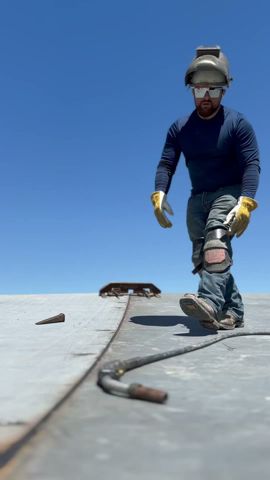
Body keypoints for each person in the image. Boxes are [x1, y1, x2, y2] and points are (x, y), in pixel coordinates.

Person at [151, 45, 260, 330]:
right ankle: (233, 310)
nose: (206, 97)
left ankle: (209, 302)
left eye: (213, 89)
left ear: (224, 90)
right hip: (196, 199)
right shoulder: (180, 128)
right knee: (205, 258)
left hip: (229, 192)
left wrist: (246, 201)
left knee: (216, 243)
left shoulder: (238, 124)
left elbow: (251, 164)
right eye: (200, 90)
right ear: (192, 91)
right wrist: (159, 192)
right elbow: (166, 163)